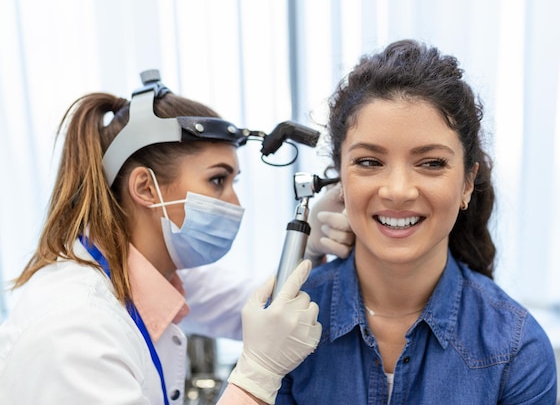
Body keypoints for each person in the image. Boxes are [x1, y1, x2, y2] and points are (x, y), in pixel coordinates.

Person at [0, 70, 352, 405]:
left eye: (235, 182)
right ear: (145, 188)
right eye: (217, 180)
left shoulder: (146, 273)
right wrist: (258, 374)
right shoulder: (75, 330)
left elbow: (255, 312)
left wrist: (308, 248)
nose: (235, 203)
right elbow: (265, 343)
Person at [276, 40, 557, 404]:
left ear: (467, 184)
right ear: (340, 179)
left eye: (432, 163)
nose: (398, 191)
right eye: (369, 162)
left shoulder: (517, 350)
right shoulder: (283, 326)